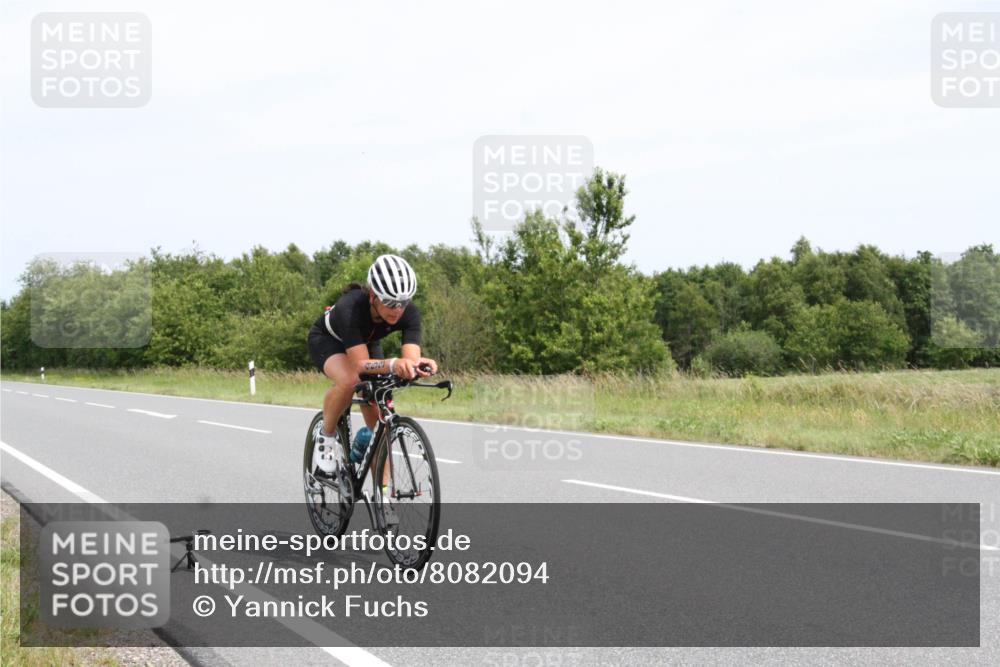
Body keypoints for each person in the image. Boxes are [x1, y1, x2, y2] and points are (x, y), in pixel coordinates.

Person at [306, 254, 438, 495]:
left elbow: (408, 358)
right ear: (372, 295)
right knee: (350, 381)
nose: (397, 310)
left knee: (381, 418)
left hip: (365, 344)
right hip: (329, 341)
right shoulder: (351, 307)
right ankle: (326, 436)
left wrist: (416, 365)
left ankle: (383, 494)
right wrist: (393, 364)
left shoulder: (408, 313)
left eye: (403, 302)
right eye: (389, 302)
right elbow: (359, 366)